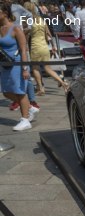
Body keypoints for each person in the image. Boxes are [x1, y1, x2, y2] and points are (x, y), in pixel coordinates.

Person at [0, 2, 37, 131]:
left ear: (5, 13)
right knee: (6, 92)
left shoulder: (15, 28)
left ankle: (25, 120)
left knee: (20, 92)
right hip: (4, 65)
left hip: (16, 63)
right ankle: (29, 107)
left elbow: (23, 49)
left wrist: (25, 68)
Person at [24, 1, 69, 95]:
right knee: (48, 68)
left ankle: (41, 88)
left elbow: (26, 35)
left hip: (35, 46)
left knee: (35, 68)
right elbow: (48, 33)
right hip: (44, 46)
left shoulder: (27, 20)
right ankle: (63, 83)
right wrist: (53, 45)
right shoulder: (41, 19)